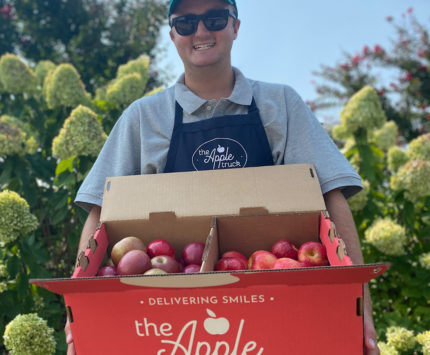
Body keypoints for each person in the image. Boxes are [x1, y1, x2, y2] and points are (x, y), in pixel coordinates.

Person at [65, 0, 380, 354]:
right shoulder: (143, 118)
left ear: (236, 27)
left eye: (215, 18)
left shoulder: (281, 104)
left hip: (278, 316)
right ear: (172, 34)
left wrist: (360, 308)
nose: (200, 31)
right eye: (186, 24)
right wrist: (77, 316)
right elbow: (99, 211)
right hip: (168, 327)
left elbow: (331, 197)